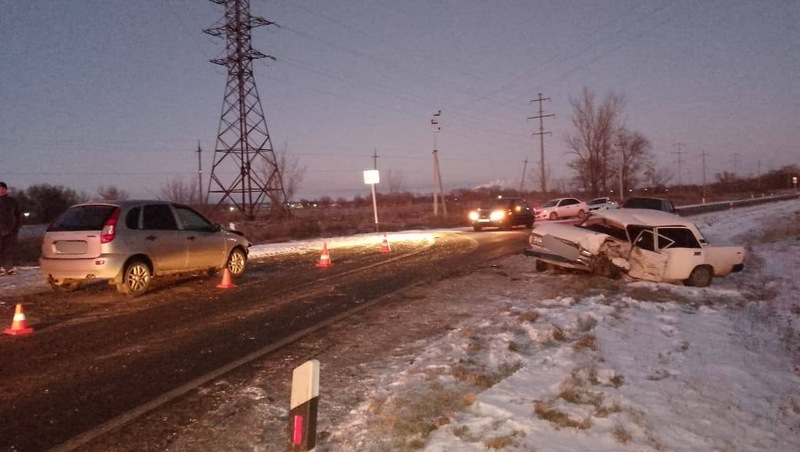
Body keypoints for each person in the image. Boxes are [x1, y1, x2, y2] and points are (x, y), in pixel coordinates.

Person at [0, 181, 22, 276]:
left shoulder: (12, 201)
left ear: (6, 190)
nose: (1, 190)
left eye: (2, 189)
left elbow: (18, 215)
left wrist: (16, 227)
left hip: (10, 230)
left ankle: (9, 268)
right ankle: (0, 268)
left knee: (9, 249)